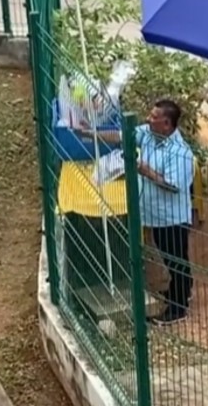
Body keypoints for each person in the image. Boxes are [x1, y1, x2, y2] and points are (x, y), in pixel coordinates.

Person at [76, 99, 196, 325]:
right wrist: (90, 133)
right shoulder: (150, 134)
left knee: (175, 259)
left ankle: (178, 308)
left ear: (167, 124)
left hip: (171, 218)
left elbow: (173, 185)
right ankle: (182, 290)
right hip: (154, 213)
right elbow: (122, 136)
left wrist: (145, 170)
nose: (148, 120)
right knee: (172, 257)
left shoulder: (180, 153)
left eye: (153, 117)